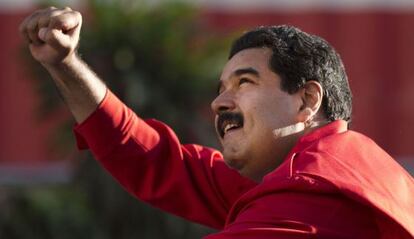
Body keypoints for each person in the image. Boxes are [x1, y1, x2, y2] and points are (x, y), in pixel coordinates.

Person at [19, 6, 414, 239]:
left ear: (308, 100)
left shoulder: (315, 192)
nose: (219, 102)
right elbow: (157, 160)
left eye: (245, 82)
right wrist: (66, 65)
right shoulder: (314, 170)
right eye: (221, 87)